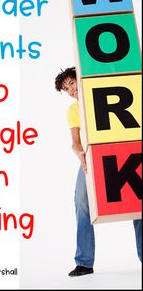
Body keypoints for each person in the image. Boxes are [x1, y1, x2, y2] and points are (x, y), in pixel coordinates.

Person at [55, 66, 142, 277]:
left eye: (72, 83)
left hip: (126, 149)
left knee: (136, 199)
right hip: (93, 157)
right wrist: (80, 154)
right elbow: (75, 142)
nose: (71, 90)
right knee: (82, 201)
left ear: (81, 78)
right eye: (66, 89)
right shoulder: (73, 111)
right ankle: (84, 262)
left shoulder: (108, 92)